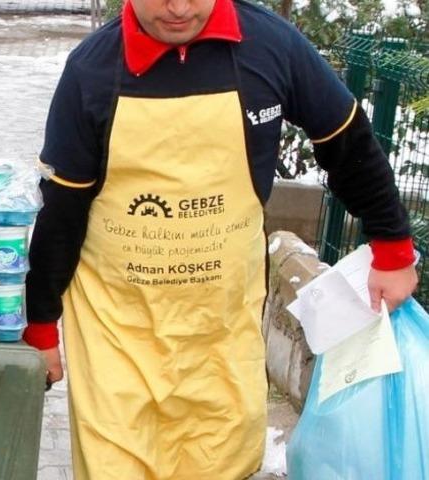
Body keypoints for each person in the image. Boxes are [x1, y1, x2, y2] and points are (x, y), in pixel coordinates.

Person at [23, 0, 418, 478]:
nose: (177, 7)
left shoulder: (272, 46)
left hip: (221, 331)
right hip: (117, 332)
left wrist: (392, 247)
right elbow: (61, 213)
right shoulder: (91, 71)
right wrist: (41, 326)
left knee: (222, 461)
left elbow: (345, 139)